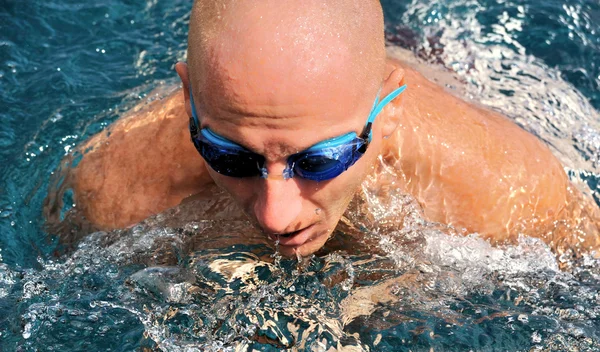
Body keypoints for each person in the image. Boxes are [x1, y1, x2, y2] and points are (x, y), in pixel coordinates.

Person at [50, 0, 600, 261]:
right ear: (190, 99)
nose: (275, 215)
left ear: (388, 113)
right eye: (229, 156)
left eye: (321, 159)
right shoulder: (114, 188)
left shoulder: (510, 193)